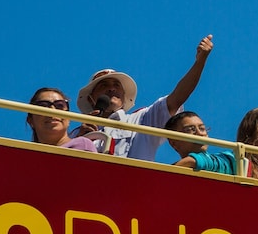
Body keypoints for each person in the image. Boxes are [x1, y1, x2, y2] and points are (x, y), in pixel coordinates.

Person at [74, 34, 213, 160]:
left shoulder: (141, 119)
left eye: (117, 85)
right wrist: (80, 140)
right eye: (103, 85)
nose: (111, 88)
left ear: (124, 96)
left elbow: (177, 99)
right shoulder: (74, 133)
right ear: (90, 99)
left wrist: (200, 62)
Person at [26, 88, 96, 152]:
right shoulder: (23, 154)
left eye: (60, 105)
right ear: (30, 120)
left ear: (68, 119)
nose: (52, 110)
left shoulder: (82, 146)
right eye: (43, 106)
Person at [167, 110, 237, 175]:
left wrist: (193, 160)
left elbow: (208, 161)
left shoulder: (226, 159)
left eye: (202, 128)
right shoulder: (176, 175)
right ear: (173, 143)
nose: (200, 133)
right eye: (189, 130)